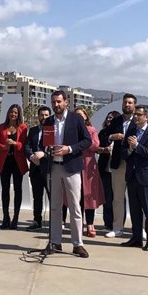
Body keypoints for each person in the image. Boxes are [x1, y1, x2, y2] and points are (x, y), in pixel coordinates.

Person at [43, 90, 92, 258]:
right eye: (53, 102)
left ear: (66, 102)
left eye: (58, 102)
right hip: (54, 167)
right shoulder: (49, 120)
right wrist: (46, 148)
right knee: (55, 207)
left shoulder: (76, 119)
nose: (56, 105)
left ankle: (78, 244)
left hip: (71, 167)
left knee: (74, 207)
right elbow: (46, 142)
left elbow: (87, 141)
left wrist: (69, 149)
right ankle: (55, 242)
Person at [121, 105, 148, 251]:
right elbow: (123, 154)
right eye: (135, 114)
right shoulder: (130, 132)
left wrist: (137, 146)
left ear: (146, 117)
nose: (136, 117)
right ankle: (136, 238)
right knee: (135, 210)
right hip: (132, 177)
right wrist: (130, 149)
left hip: (147, 178)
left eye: (139, 114)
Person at [105, 93, 138, 238]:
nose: (127, 105)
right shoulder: (116, 120)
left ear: (134, 105)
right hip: (118, 163)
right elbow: (103, 135)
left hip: (134, 163)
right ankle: (117, 228)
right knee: (117, 197)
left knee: (137, 198)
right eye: (125, 102)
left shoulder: (139, 120)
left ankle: (139, 228)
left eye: (130, 103)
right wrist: (112, 137)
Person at [0, 104, 29, 229]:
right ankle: (6, 217)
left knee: (18, 189)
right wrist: (5, 146)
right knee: (4, 190)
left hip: (17, 162)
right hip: (5, 161)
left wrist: (15, 143)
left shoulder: (23, 127)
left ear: (18, 114)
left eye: (15, 112)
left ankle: (15, 217)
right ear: (8, 113)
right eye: (11, 112)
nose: (13, 114)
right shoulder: (2, 127)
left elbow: (24, 145)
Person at [75, 107, 105, 238]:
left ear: (86, 117)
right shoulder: (72, 131)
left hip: (88, 166)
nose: (80, 118)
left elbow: (95, 146)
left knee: (90, 196)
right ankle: (78, 224)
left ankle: (90, 224)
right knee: (77, 196)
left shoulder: (92, 130)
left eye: (82, 116)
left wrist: (84, 139)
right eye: (77, 116)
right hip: (75, 164)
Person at [24, 106, 52, 231]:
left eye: (46, 115)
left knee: (53, 197)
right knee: (37, 196)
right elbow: (27, 146)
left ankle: (56, 222)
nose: (44, 117)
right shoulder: (33, 130)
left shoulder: (52, 130)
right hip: (35, 169)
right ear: (38, 116)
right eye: (41, 115)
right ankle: (37, 221)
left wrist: (44, 155)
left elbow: (53, 148)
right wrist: (31, 156)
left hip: (49, 169)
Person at [96, 110, 119, 231]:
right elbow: (97, 147)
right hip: (105, 170)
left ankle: (118, 224)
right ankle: (108, 224)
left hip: (118, 170)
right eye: (109, 117)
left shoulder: (122, 133)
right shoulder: (103, 133)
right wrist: (107, 144)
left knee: (119, 199)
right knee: (107, 199)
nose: (110, 120)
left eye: (113, 118)